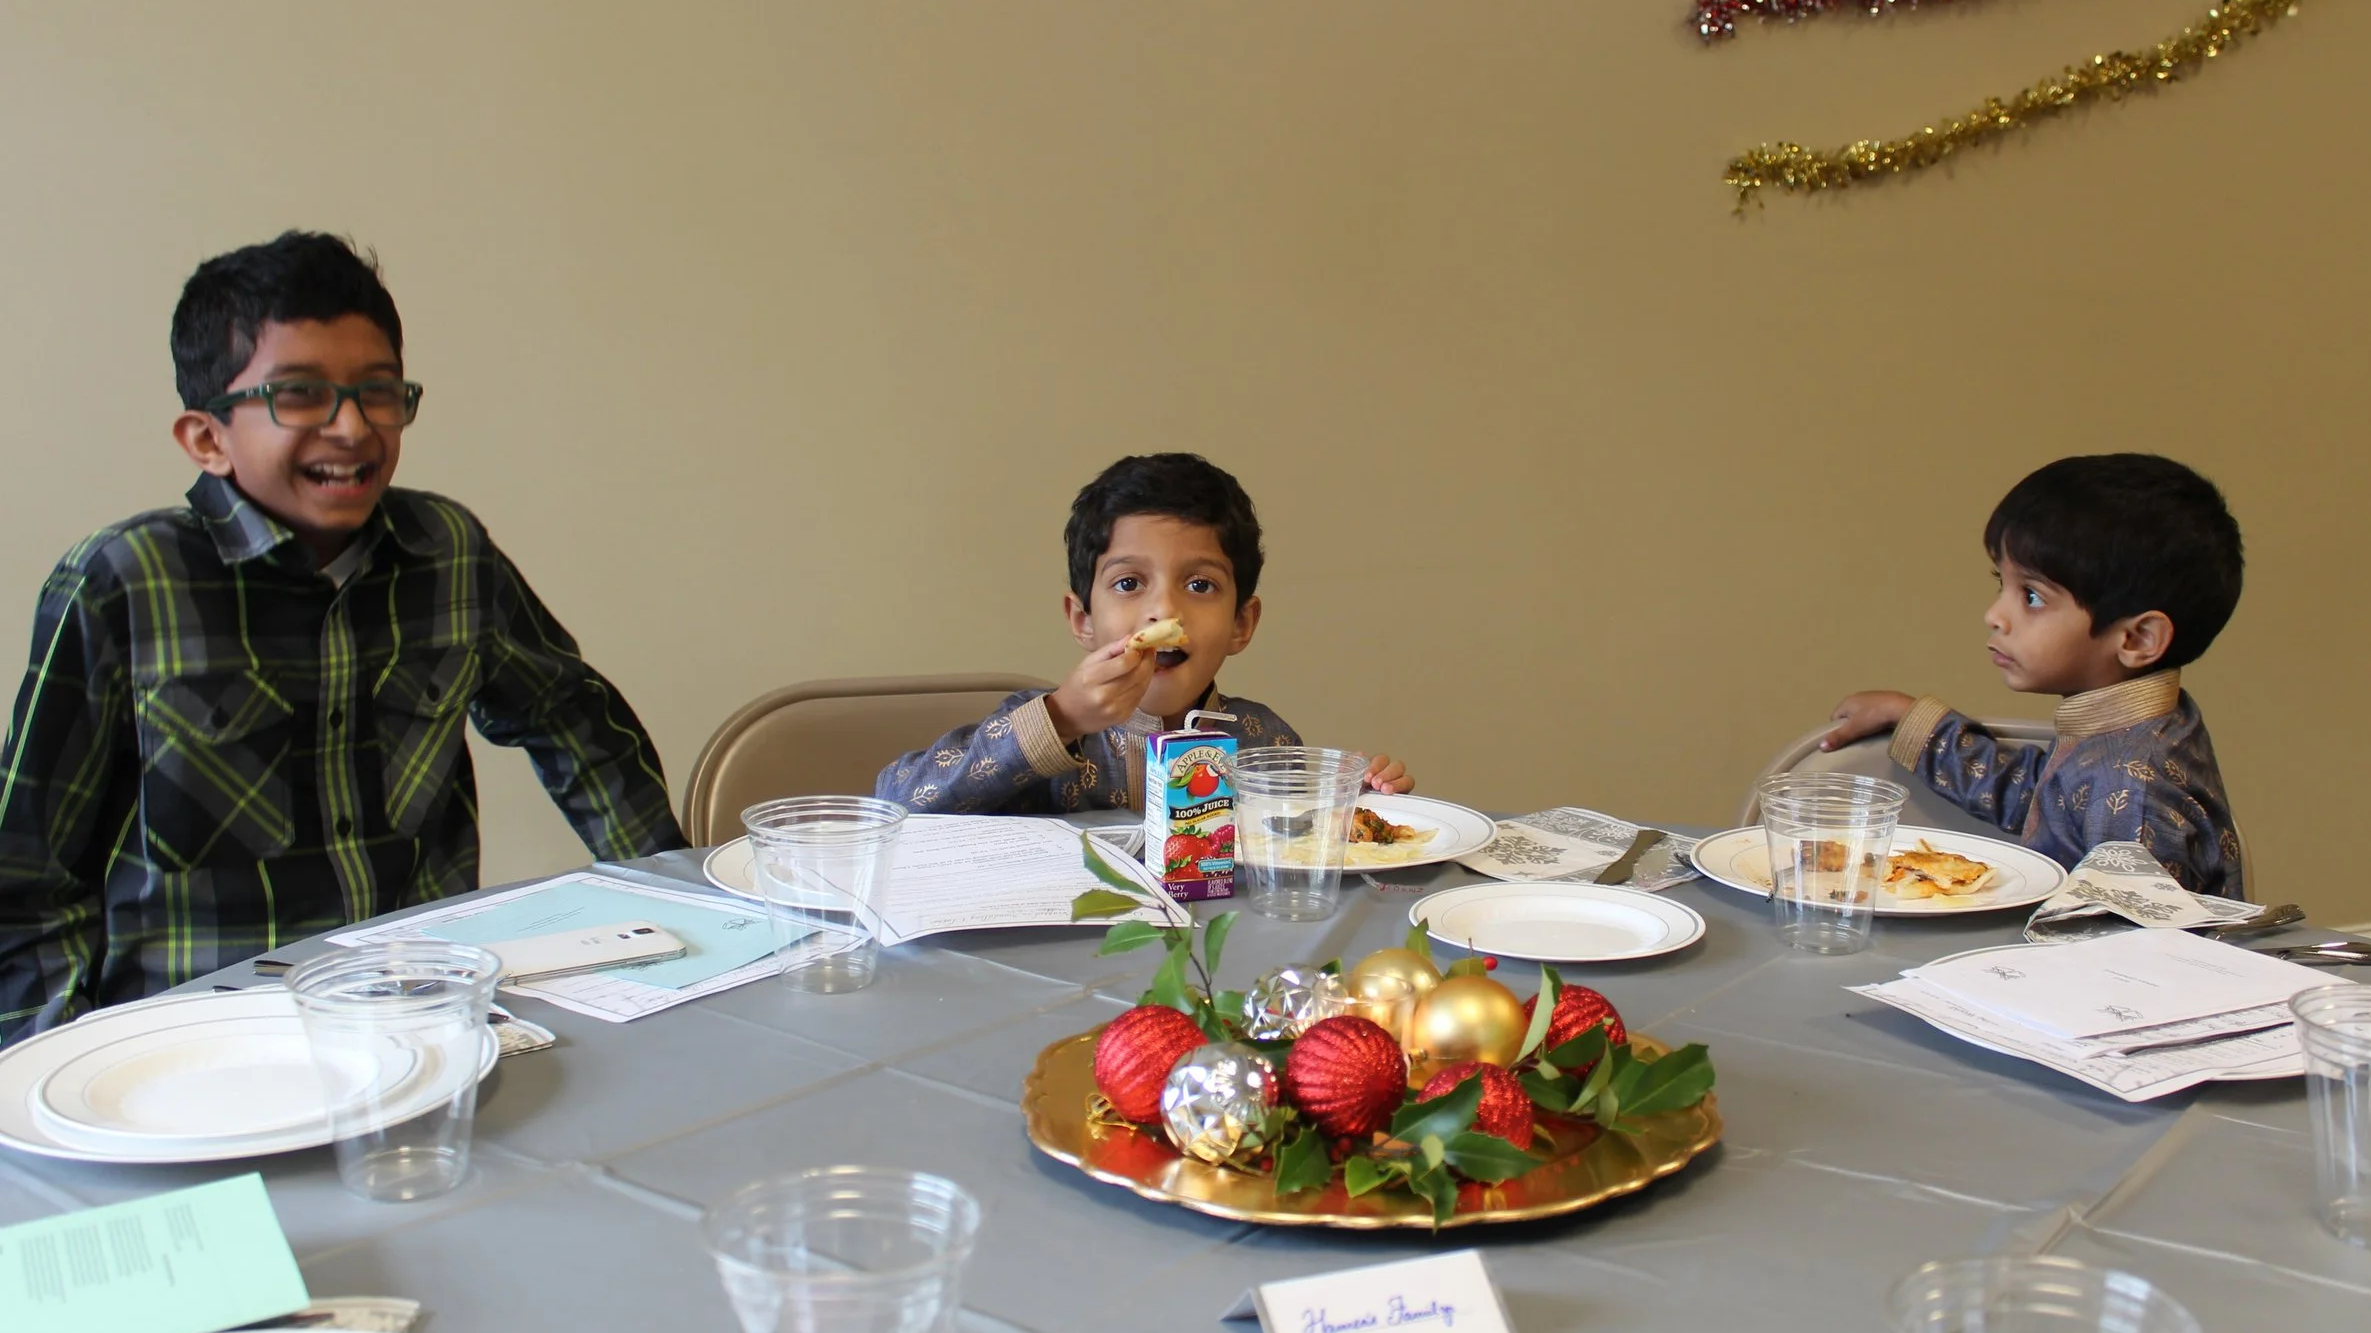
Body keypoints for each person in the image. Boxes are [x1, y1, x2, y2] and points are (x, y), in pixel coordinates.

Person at [0, 232, 685, 1043]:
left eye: (380, 392)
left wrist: (679, 899)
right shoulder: (125, 580)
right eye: (299, 395)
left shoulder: (448, 551)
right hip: (194, 1042)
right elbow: (28, 874)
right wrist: (51, 1061)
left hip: (422, 1016)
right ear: (207, 436)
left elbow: (573, 720)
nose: (353, 427)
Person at [877, 453, 1413, 813]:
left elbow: (1307, 858)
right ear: (1082, 619)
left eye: (1200, 585)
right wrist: (1061, 717)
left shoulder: (1263, 739)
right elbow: (896, 802)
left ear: (1241, 624)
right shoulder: (1047, 729)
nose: (1163, 611)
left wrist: (1361, 803)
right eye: (1129, 583)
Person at [1824, 454, 2245, 898]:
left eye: (2031, 596)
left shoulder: (2131, 790)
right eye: (2000, 584)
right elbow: (2036, 795)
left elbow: (2136, 956)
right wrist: (1909, 717)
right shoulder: (2134, 729)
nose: (1994, 614)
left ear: (2138, 639)